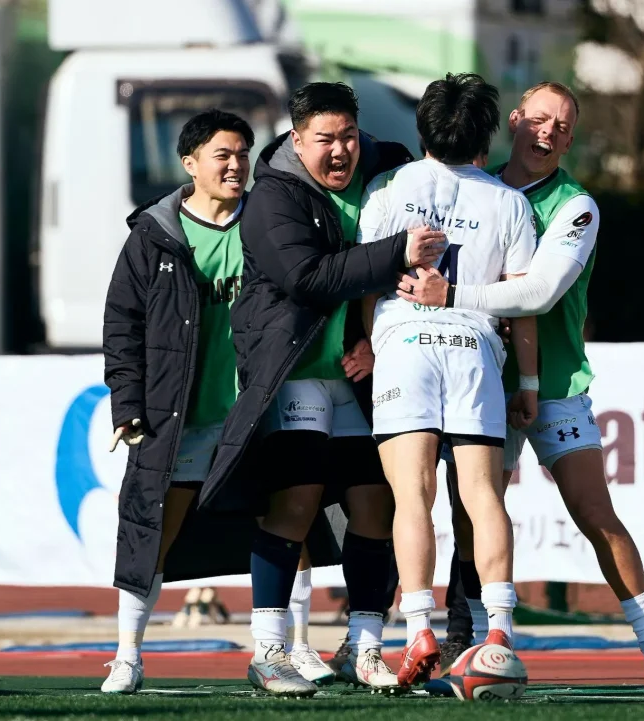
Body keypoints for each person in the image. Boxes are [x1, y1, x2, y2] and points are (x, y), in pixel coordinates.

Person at [397, 81, 644, 696]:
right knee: (474, 512)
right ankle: (476, 645)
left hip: (552, 384)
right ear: (515, 120)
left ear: (570, 139)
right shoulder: (477, 186)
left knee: (593, 512)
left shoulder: (576, 206)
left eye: (562, 124)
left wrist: (451, 296)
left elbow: (539, 292)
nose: (548, 131)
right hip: (480, 380)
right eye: (539, 119)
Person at [196, 82, 446, 698]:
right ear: (297, 139)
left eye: (349, 136)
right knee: (297, 504)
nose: (340, 151)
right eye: (325, 140)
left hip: (360, 378)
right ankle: (269, 651)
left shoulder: (387, 166)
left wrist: (374, 337)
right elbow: (306, 278)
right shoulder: (271, 196)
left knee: (377, 505)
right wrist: (397, 251)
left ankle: (363, 646)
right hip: (296, 373)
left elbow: (433, 195)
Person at [357, 72, 540, 688]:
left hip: (406, 343)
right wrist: (528, 381)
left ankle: (418, 631)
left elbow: (367, 281)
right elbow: (521, 302)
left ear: (423, 129)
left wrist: (377, 342)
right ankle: (499, 634)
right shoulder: (509, 202)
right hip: (473, 347)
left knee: (413, 497)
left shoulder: (388, 188)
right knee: (483, 496)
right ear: (485, 136)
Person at [101, 109, 256, 694]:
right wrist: (128, 405)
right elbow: (122, 325)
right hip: (181, 416)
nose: (236, 165)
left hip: (256, 414)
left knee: (287, 525)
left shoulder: (267, 224)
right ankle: (127, 656)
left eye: (243, 154)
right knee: (152, 533)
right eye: (223, 155)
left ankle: (286, 651)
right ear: (190, 164)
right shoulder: (152, 236)